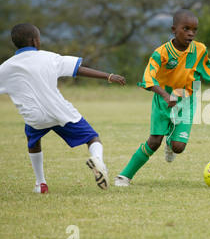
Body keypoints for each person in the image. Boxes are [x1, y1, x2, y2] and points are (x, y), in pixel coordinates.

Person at [114, 9, 210, 186]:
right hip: (163, 100)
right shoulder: (161, 53)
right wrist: (165, 95)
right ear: (174, 29)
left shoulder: (199, 50)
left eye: (194, 29)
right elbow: (148, 79)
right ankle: (124, 176)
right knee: (154, 142)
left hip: (187, 101)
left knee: (178, 147)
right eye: (186, 28)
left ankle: (171, 143)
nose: (191, 33)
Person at [0, 23, 126, 193]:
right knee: (92, 138)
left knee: (33, 140)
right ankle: (97, 160)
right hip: (60, 112)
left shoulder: (5, 68)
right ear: (34, 41)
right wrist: (108, 76)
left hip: (34, 117)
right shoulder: (49, 57)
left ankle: (41, 184)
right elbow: (78, 70)